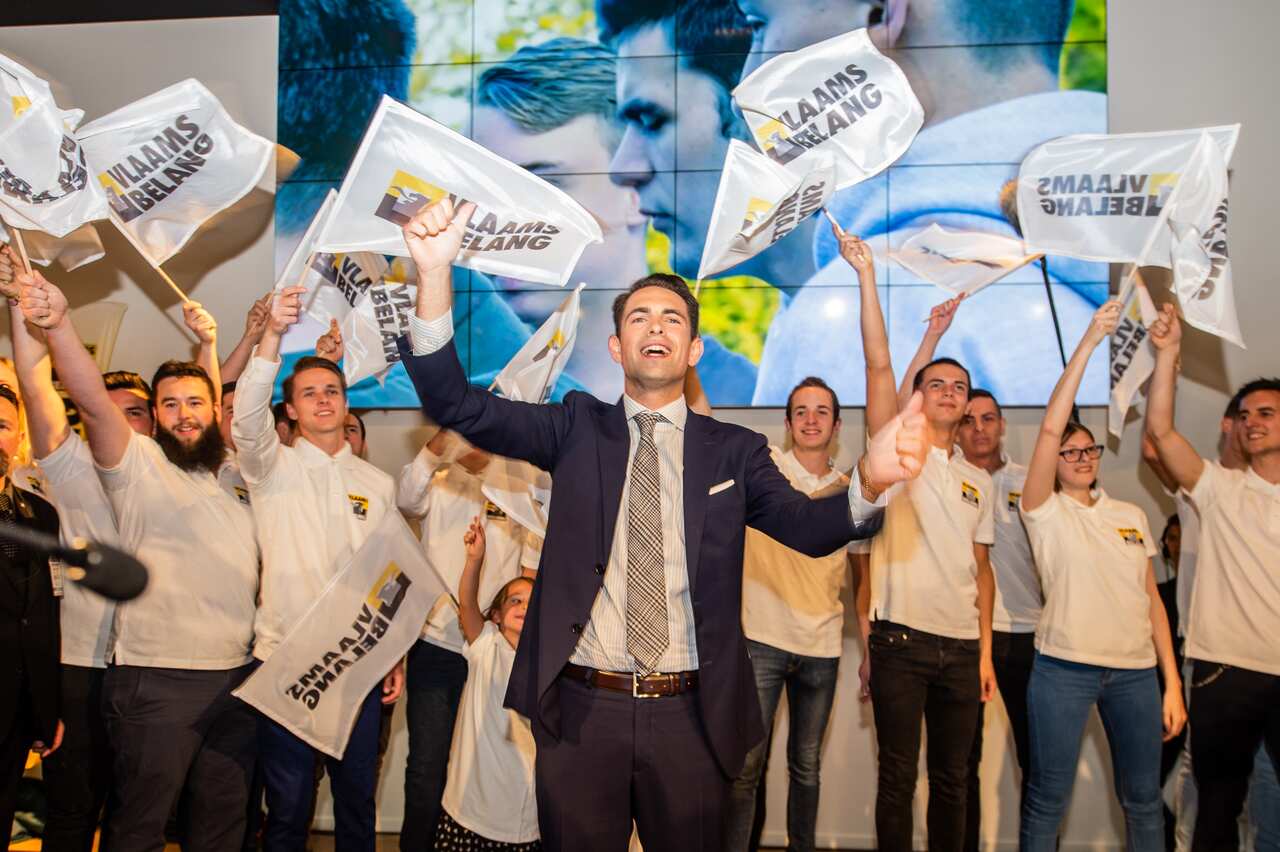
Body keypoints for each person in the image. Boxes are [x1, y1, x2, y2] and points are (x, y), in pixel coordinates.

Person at [392, 196, 927, 851]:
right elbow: (455, 403)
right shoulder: (573, 427)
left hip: (691, 717)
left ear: (694, 347)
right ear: (616, 346)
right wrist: (434, 274)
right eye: (639, 316)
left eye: (673, 318)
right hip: (582, 711)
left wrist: (869, 480)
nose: (656, 326)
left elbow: (808, 528)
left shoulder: (735, 452)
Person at [747, 0, 1109, 406]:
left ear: (883, 12)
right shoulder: (1147, 252)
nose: (745, 77)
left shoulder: (862, 313)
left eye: (757, 24)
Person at [20, 273, 261, 852]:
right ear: (154, 416)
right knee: (138, 831)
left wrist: (220, 342)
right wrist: (59, 325)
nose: (184, 414)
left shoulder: (233, 475)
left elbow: (208, 396)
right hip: (156, 681)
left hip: (237, 680)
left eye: (195, 403)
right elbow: (91, 403)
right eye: (169, 405)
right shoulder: (138, 466)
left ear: (215, 409)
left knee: (221, 828)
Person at [231, 285, 402, 851]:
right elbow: (245, 416)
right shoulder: (270, 468)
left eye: (332, 391)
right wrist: (272, 336)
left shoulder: (377, 484)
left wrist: (393, 654)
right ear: (291, 410)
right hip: (285, 662)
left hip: (357, 666)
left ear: (347, 404)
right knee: (288, 811)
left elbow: (388, 576)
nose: (323, 400)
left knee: (357, 806)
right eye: (309, 394)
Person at [843, 225, 996, 852]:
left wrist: (985, 654)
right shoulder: (900, 453)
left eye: (959, 387)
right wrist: (867, 275)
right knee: (898, 779)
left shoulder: (978, 481)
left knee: (954, 781)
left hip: (962, 649)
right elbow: (880, 364)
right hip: (900, 642)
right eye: (937, 384)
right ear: (919, 398)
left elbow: (981, 573)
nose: (950, 392)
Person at [1017, 300, 1184, 851]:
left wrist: (1171, 683)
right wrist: (1090, 341)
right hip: (1063, 670)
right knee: (1047, 798)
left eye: (1089, 449)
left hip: (1136, 675)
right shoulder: (1042, 510)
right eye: (1070, 452)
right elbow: (1049, 428)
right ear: (1055, 462)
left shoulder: (1130, 516)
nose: (1083, 456)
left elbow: (1152, 602)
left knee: (1143, 801)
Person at [7, 261, 155, 852]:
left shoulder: (178, 478)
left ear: (153, 422)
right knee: (72, 810)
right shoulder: (69, 468)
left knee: (136, 813)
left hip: (153, 667)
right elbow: (35, 381)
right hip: (79, 667)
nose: (119, 420)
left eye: (134, 410)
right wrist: (20, 304)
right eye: (105, 409)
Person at [1143, 304, 1280, 852]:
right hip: (1225, 670)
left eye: (1266, 413)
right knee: (1216, 811)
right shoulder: (1219, 488)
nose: (1251, 422)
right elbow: (1159, 432)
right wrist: (1169, 352)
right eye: (1244, 415)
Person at [474, 37, 647, 400]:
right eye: (487, 192)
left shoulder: (740, 393)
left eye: (545, 187)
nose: (502, 226)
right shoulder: (439, 396)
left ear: (635, 186)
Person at [726, 376, 857, 852]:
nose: (811, 420)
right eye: (801, 411)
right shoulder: (766, 472)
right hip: (761, 639)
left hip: (822, 647)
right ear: (787, 423)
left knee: (806, 768)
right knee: (745, 769)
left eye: (822, 411)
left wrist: (869, 651)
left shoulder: (851, 492)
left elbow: (862, 576)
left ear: (837, 426)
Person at [397, 427, 539, 851]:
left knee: (501, 762)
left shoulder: (517, 489)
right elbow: (405, 500)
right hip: (436, 646)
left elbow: (529, 574)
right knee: (426, 767)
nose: (475, 437)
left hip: (498, 653)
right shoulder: (438, 481)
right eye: (466, 427)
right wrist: (439, 443)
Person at [955, 387, 1041, 850]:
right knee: (961, 765)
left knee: (1037, 761)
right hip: (966, 637)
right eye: (968, 420)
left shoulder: (1032, 482)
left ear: (1002, 425)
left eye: (988, 419)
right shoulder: (946, 481)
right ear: (957, 429)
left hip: (1027, 635)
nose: (979, 429)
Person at [434, 517, 540, 850]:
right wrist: (475, 560)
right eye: (514, 600)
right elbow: (467, 602)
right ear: (496, 615)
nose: (523, 606)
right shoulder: (486, 646)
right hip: (468, 812)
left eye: (531, 603)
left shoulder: (547, 663)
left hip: (522, 820)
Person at [0, 378, 63, 849]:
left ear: (19, 438)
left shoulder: (40, 515)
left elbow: (42, 614)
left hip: (15, 709)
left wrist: (45, 707)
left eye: (2, 426)